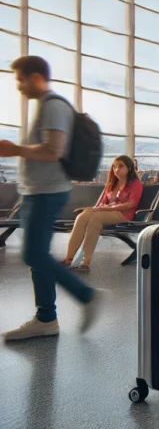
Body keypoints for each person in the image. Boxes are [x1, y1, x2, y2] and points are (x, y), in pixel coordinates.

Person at [0, 56, 105, 341]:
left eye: (20, 79)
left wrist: (13, 149)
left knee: (33, 254)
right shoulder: (45, 107)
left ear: (35, 77)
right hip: (37, 190)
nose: (18, 86)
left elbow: (53, 151)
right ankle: (46, 318)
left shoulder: (54, 106)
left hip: (48, 191)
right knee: (38, 256)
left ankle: (85, 295)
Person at [60, 155, 142, 271]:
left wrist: (105, 209)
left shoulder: (135, 184)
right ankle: (69, 258)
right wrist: (94, 209)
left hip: (122, 215)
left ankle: (85, 262)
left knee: (96, 218)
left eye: (120, 166)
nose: (116, 170)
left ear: (129, 168)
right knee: (82, 216)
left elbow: (131, 204)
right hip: (106, 212)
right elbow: (101, 204)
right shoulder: (111, 184)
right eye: (114, 167)